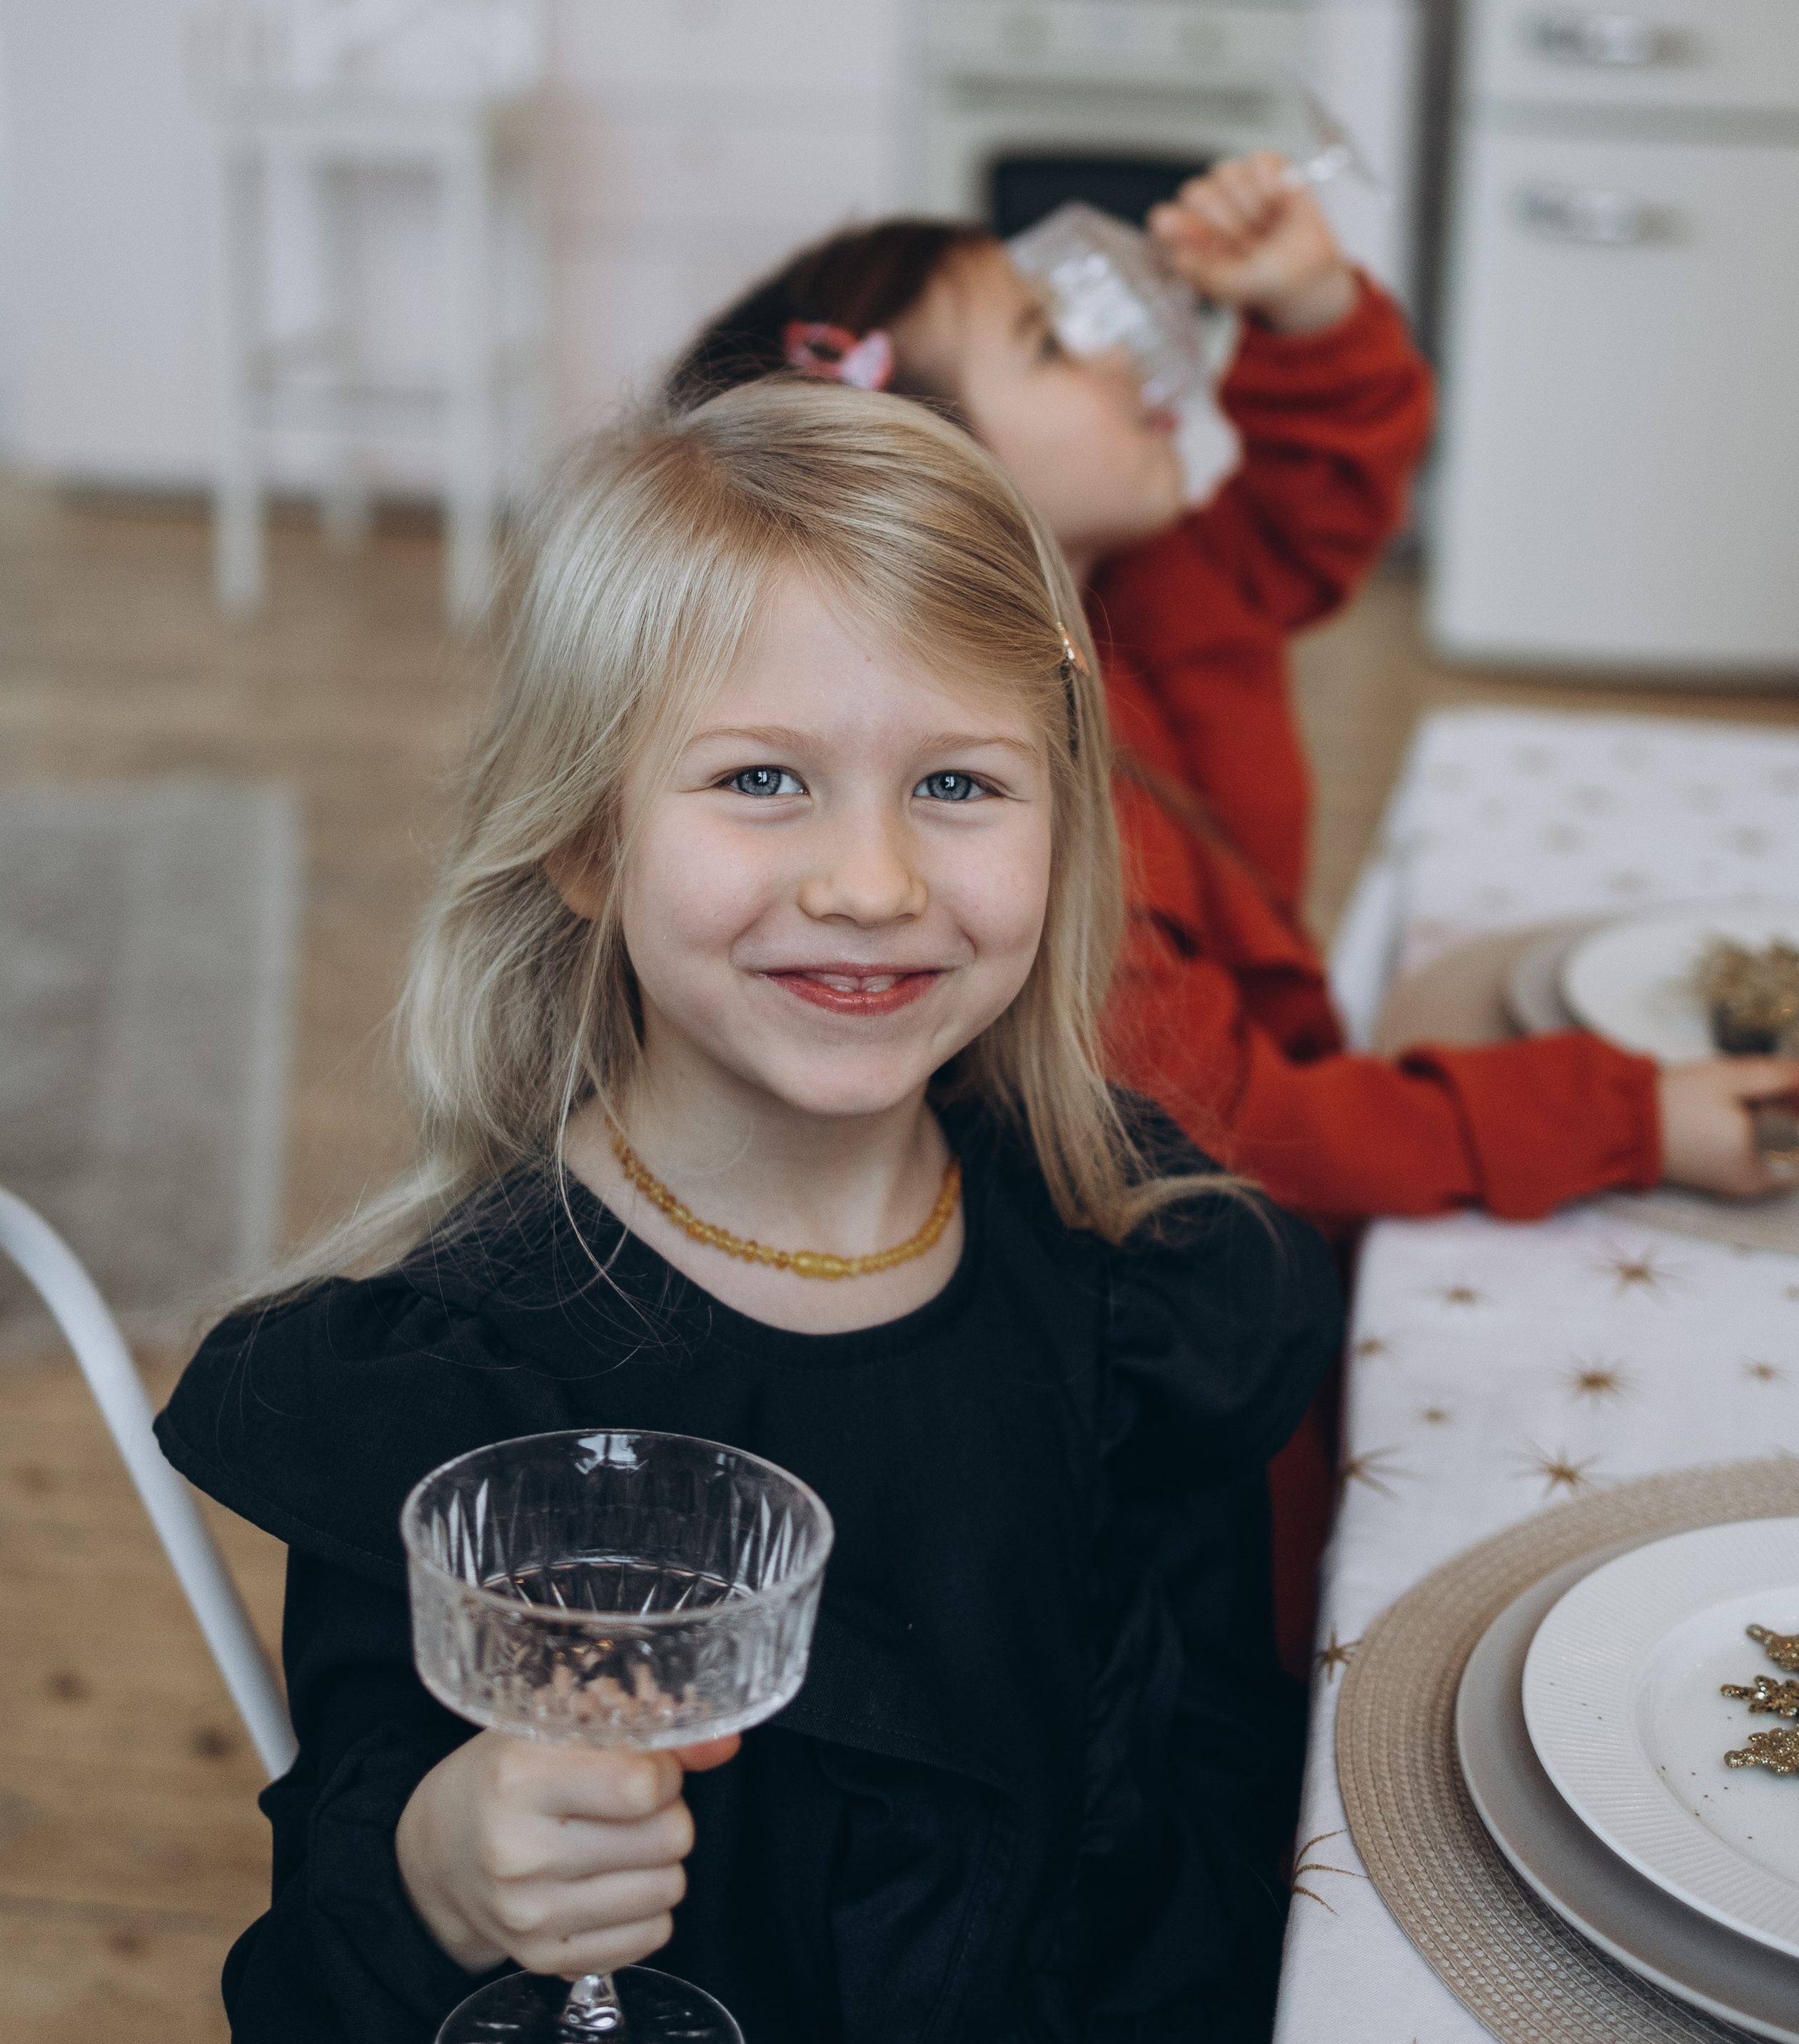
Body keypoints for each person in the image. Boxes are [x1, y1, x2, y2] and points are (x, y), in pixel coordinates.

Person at [155, 384, 1341, 2044]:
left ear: (1066, 820)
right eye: (761, 780)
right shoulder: (462, 1378)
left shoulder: (1130, 1278)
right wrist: (454, 1866)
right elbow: (327, 1996)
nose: (870, 882)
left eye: (959, 784)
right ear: (588, 845)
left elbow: (1198, 1740)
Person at [671, 169, 1799, 1669]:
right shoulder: (1006, 834)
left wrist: (1310, 308)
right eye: (1051, 344)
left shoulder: (1137, 588)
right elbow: (1252, 1136)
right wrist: (1625, 1117)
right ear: (932, 480)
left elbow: (1312, 504)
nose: (1133, 346)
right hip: (1170, 1340)